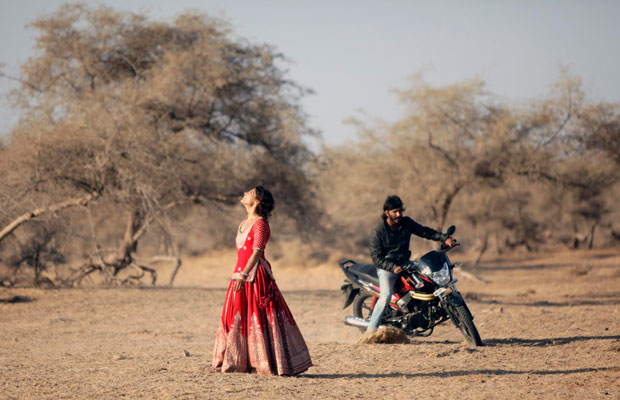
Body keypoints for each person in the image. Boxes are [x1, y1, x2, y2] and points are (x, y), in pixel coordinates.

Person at [210, 186, 312, 375]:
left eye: (250, 192)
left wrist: (243, 274)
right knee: (234, 317)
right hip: (239, 275)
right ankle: (236, 361)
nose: (245, 194)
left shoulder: (261, 224)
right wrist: (238, 274)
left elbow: (257, 252)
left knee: (257, 318)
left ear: (258, 201)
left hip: (254, 277)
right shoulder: (244, 222)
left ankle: (264, 363)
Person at [366, 195, 456, 333]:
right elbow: (376, 258)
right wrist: (392, 267)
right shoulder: (378, 231)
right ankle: (370, 332)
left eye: (400, 211)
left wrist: (445, 238)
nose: (398, 214)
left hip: (405, 263)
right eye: (395, 211)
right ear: (386, 213)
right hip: (387, 267)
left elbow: (425, 232)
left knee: (427, 281)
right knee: (385, 296)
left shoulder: (406, 223)